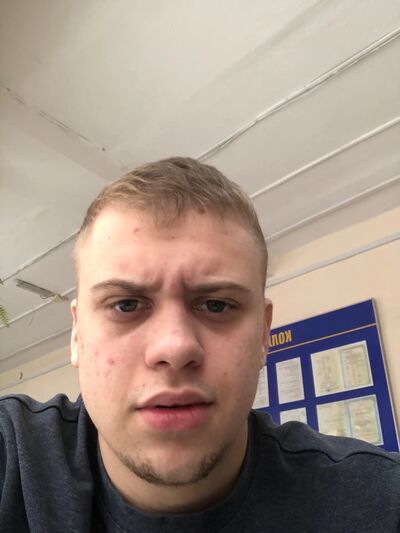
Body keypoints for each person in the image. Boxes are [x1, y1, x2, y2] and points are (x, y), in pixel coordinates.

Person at [0, 157, 399, 533]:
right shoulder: (12, 458)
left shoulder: (382, 501)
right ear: (77, 334)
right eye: (125, 305)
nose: (174, 348)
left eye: (217, 305)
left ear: (263, 334)